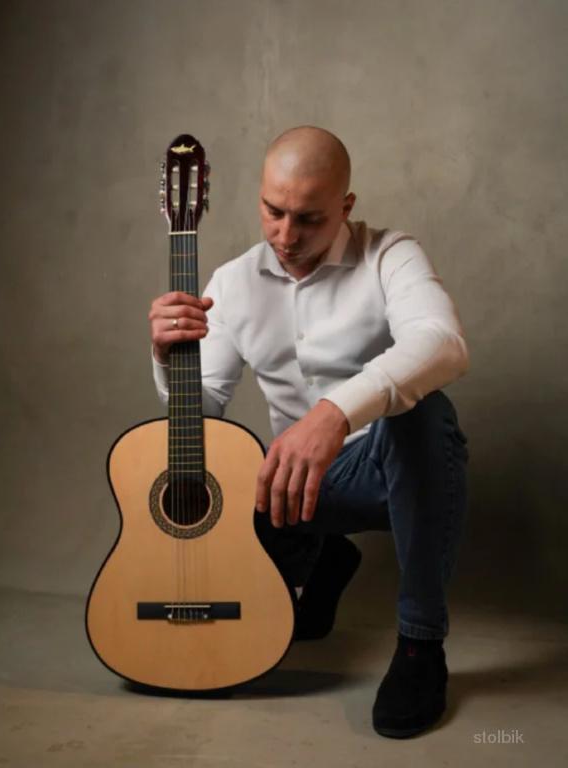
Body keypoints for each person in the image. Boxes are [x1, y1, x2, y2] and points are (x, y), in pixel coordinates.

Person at [149, 126, 469, 738]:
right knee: (219, 517)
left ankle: (420, 644)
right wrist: (168, 358)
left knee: (427, 414)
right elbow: (203, 411)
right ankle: (325, 556)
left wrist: (334, 413)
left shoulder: (390, 254)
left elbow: (443, 342)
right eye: (273, 211)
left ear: (345, 207)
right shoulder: (232, 282)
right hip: (290, 491)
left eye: (309, 218)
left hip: (385, 471)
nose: (286, 236)